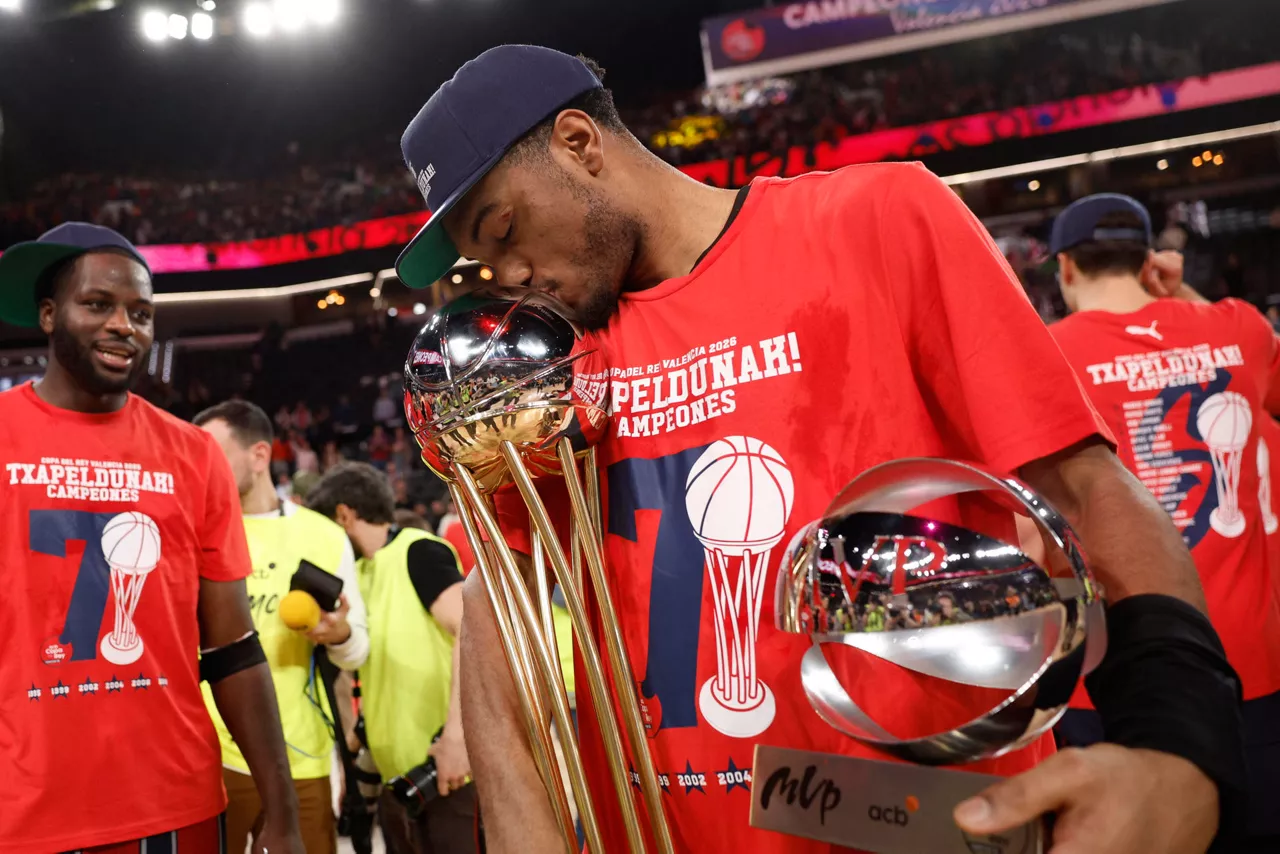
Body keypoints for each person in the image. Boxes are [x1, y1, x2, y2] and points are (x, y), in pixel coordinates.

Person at [392, 46, 1246, 854]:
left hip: (926, 824)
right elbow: (500, 598)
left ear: (578, 145)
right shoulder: (555, 364)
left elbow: (1087, 486)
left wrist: (1178, 742)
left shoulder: (874, 220)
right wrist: (518, 829)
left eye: (502, 229)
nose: (501, 276)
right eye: (477, 259)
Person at [0, 223, 304, 853]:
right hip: (22, 809)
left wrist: (283, 809)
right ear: (49, 315)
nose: (124, 325)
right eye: (97, 304)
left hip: (173, 805)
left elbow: (233, 650)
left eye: (141, 312)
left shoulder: (194, 456)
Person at [1048, 194, 1280, 850]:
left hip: (1119, 676)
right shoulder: (1238, 328)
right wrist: (1189, 300)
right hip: (1253, 667)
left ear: (1066, 267)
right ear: (1149, 260)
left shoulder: (1044, 357)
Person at [194, 400, 371, 854]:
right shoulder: (192, 533)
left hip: (301, 756)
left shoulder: (323, 536)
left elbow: (358, 650)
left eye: (213, 454)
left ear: (258, 455)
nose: (200, 468)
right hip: (211, 756)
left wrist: (340, 636)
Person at [306, 462, 474, 854]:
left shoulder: (418, 550)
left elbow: (472, 632)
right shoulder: (360, 574)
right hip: (394, 777)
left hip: (447, 768)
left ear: (344, 516)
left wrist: (457, 737)